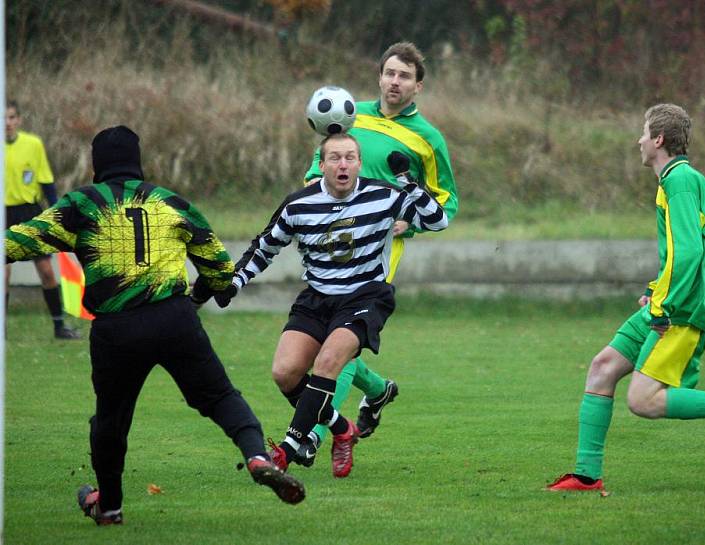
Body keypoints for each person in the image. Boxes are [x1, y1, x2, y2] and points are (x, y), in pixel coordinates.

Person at [5, 126, 305, 525]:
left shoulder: (82, 204)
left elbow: (19, 242)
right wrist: (204, 295)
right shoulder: (169, 201)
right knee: (219, 396)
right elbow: (218, 267)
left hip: (116, 329)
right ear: (137, 160)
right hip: (174, 319)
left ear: (98, 164)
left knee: (111, 420)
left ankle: (109, 505)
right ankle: (256, 456)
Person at [547, 104, 705, 493]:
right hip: (670, 302)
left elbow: (689, 253)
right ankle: (586, 476)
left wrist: (663, 305)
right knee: (602, 367)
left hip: (679, 311)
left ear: (658, 140)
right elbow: (684, 253)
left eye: (643, 133)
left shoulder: (680, 181)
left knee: (643, 401)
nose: (638, 140)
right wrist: (657, 291)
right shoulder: (676, 180)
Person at [216, 132, 448, 478]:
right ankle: (342, 429)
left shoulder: (384, 196)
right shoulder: (299, 204)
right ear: (321, 165)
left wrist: (410, 184)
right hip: (317, 297)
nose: (343, 165)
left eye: (350, 158)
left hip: (365, 296)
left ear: (359, 163)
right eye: (335, 158)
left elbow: (437, 221)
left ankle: (289, 449)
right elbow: (265, 247)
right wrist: (235, 281)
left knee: (328, 363)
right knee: (285, 372)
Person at [298, 41, 459, 466]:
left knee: (340, 345)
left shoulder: (428, 139)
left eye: (404, 75)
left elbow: (447, 201)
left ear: (418, 86)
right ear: (379, 76)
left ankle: (312, 434)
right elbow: (319, 168)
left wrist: (414, 222)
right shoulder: (349, 115)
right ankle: (377, 389)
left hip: (380, 251)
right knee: (328, 341)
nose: (394, 81)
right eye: (389, 72)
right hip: (330, 244)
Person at [4, 100, 80, 339]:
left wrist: (57, 213)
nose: (7, 123)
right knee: (3, 275)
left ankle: (59, 327)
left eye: (11, 117)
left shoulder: (33, 144)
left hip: (29, 212)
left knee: (46, 271)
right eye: (3, 118)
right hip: (3, 213)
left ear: (19, 120)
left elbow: (46, 182)